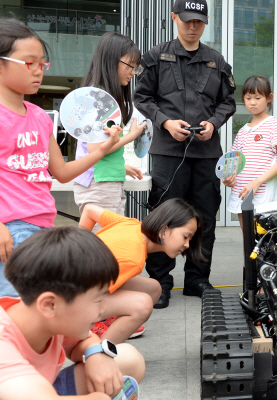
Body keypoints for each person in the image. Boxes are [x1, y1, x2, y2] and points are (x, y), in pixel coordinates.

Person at [0, 18, 121, 298]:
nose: (39, 70)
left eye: (43, 63)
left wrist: (101, 149)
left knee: (37, 311)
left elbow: (63, 172)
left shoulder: (40, 117)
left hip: (43, 228)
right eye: (30, 62)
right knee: (13, 315)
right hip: (9, 231)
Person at [134, 0, 236, 307]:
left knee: (205, 218)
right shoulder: (155, 56)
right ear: (174, 17)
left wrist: (213, 123)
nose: (193, 27)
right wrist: (165, 122)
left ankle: (197, 280)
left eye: (199, 22)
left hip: (206, 153)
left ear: (205, 23)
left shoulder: (216, 61)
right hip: (167, 151)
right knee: (164, 217)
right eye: (188, 21)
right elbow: (142, 97)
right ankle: (160, 282)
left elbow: (228, 102)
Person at [0, 227, 145, 399]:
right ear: (50, 305)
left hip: (42, 388)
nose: (104, 309)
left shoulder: (47, 317)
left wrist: (95, 355)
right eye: (98, 300)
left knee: (128, 360)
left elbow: (83, 342)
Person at [78, 199, 204, 341]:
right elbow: (91, 297)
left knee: (154, 288)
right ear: (164, 230)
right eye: (185, 237)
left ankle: (116, 326)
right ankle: (98, 354)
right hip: (70, 296)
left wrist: (79, 243)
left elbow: (89, 210)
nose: (187, 245)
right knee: (142, 305)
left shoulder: (132, 225)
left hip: (78, 278)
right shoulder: (133, 258)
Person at [73, 32, 147, 232]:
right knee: (102, 251)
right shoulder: (100, 99)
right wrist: (131, 136)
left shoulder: (99, 96)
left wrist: (121, 167)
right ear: (111, 60)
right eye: (130, 65)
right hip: (99, 184)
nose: (133, 72)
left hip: (103, 180)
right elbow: (96, 148)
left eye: (135, 67)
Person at [223, 76, 277, 223]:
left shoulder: (274, 125)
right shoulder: (242, 131)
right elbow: (233, 162)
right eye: (248, 98)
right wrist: (228, 177)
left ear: (269, 98)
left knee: (266, 242)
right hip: (242, 193)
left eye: (258, 97)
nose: (252, 102)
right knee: (248, 242)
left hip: (265, 195)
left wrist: (257, 182)